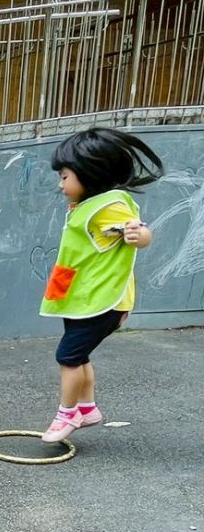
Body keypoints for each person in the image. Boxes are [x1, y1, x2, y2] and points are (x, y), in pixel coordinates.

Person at [39, 128, 160, 443]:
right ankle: (87, 408)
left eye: (65, 176)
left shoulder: (108, 206)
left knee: (68, 356)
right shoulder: (88, 204)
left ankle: (67, 414)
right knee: (79, 355)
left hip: (100, 301)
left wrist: (140, 236)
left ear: (90, 173)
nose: (60, 184)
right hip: (82, 297)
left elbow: (138, 229)